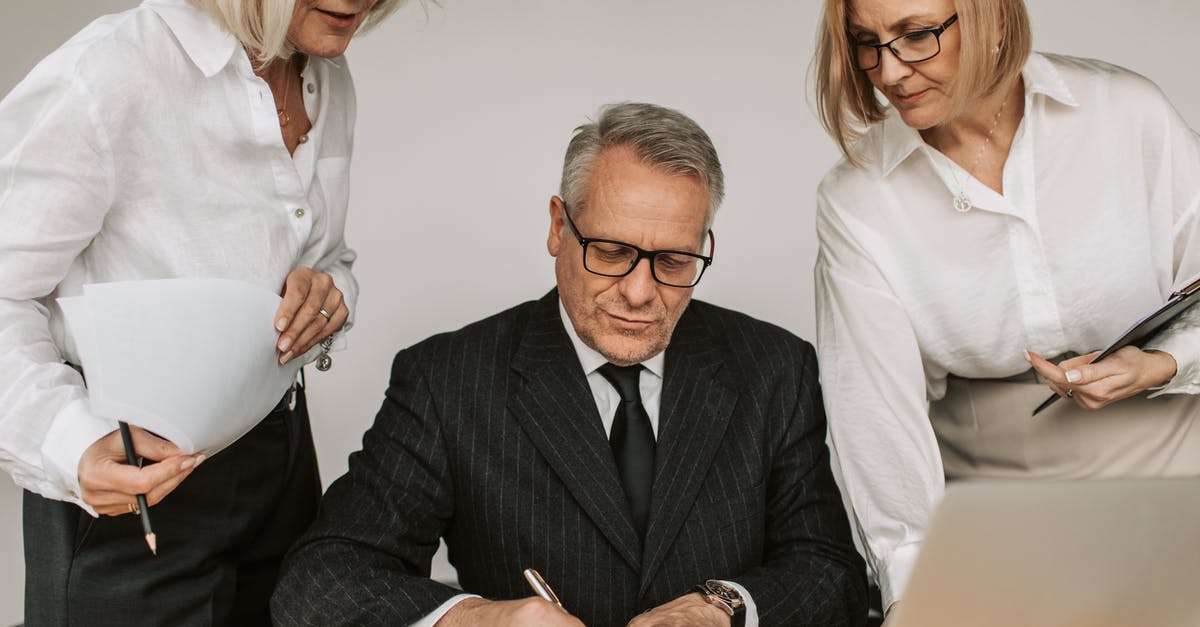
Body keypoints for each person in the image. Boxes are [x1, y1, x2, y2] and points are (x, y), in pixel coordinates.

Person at [271, 102, 869, 627]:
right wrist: (479, 620)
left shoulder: (775, 368)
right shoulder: (447, 380)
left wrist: (721, 607)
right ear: (559, 227)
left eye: (675, 261)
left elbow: (830, 573)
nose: (639, 293)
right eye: (610, 252)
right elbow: (318, 584)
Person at [0, 0, 405, 623]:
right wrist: (70, 444)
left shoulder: (327, 73)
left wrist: (331, 292)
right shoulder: (107, 73)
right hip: (136, 491)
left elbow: (322, 256)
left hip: (284, 461)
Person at [811, 0, 1200, 620]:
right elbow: (876, 416)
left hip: (1181, 478)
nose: (887, 72)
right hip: (1000, 512)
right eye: (867, 42)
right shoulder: (858, 200)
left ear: (990, 17)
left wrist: (1165, 361)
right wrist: (916, 589)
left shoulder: (1125, 113)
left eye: (915, 36)